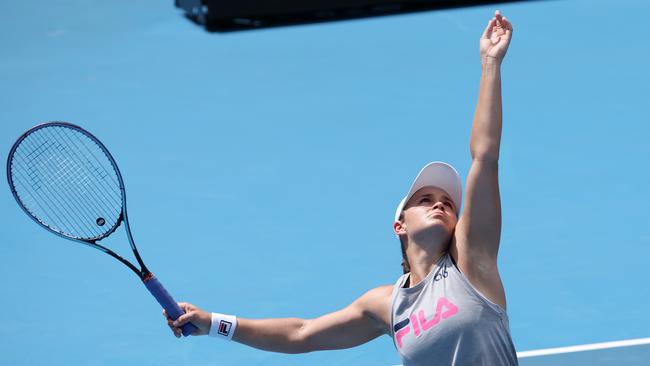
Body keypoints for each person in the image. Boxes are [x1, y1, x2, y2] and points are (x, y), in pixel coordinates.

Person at [164, 10, 516, 366]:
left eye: (448, 204)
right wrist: (212, 323)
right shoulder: (386, 305)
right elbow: (301, 334)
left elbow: (484, 157)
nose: (440, 205)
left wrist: (490, 64)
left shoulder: (472, 262)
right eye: (425, 200)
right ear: (400, 226)